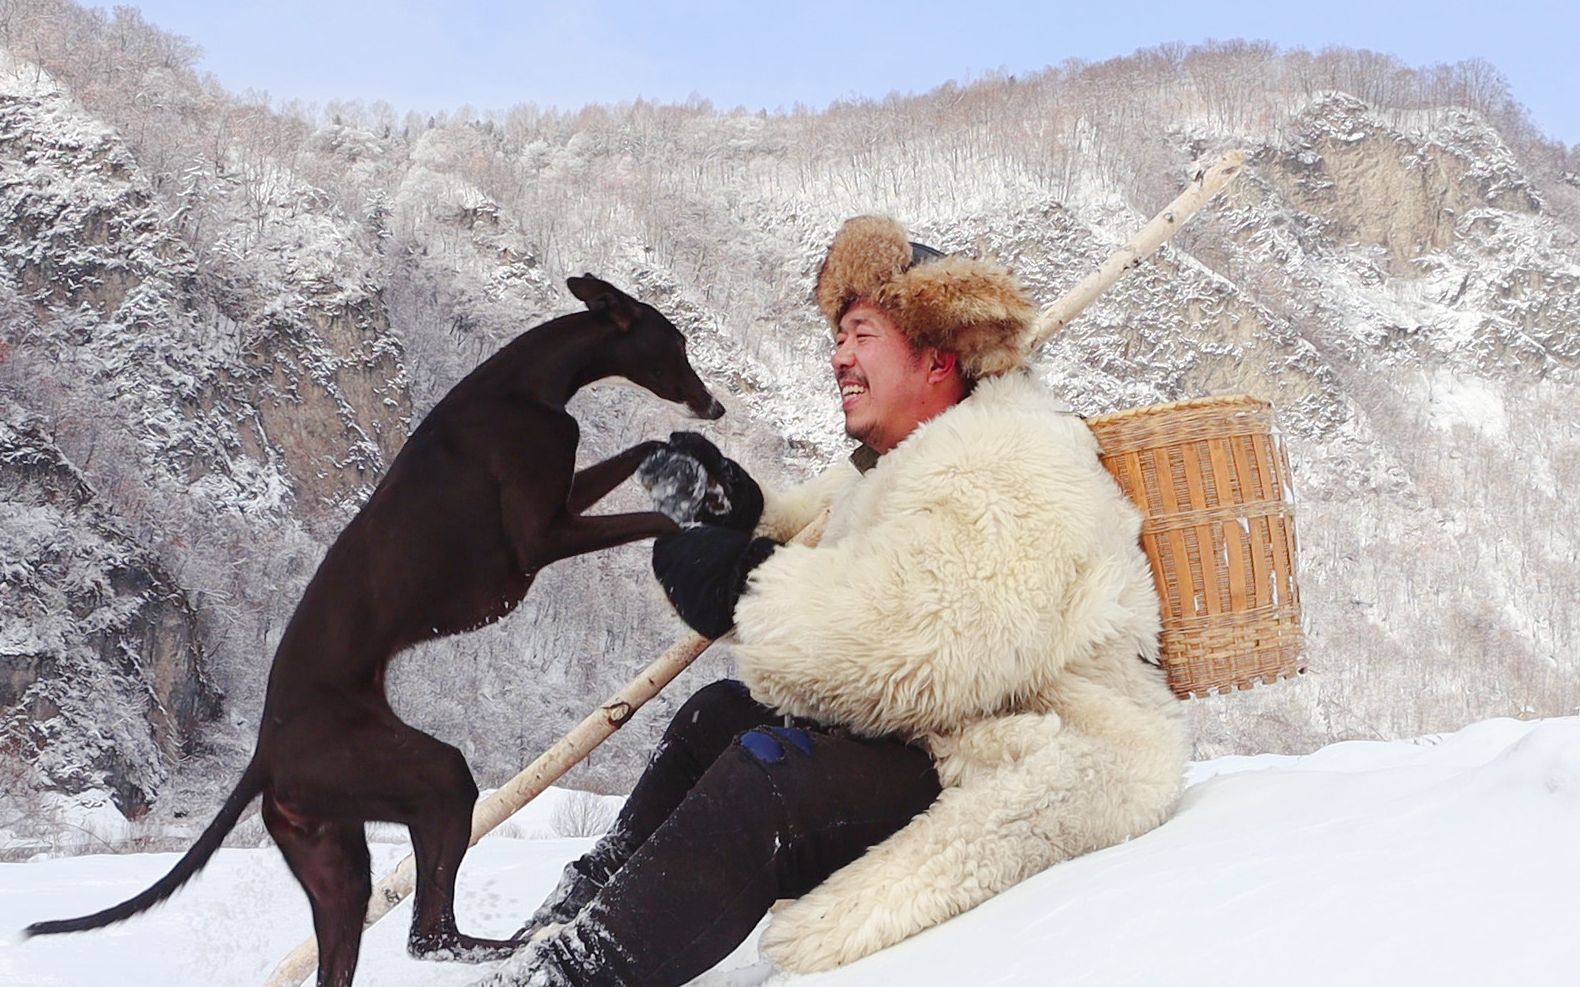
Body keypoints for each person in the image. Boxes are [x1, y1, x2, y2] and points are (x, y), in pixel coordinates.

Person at [477, 216, 1189, 986]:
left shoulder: (1013, 460)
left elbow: (913, 642)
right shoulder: (898, 462)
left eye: (861, 333)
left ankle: (570, 976)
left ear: (938, 355)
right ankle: (572, 914)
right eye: (838, 336)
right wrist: (735, 515)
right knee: (715, 715)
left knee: (765, 782)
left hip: (1017, 748)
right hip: (940, 726)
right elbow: (823, 549)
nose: (838, 356)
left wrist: (742, 586)